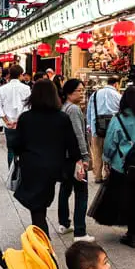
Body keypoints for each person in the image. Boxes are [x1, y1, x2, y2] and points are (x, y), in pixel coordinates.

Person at [91, 86, 135, 248]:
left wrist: (107, 160)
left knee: (125, 197)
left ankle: (131, 233)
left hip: (121, 166)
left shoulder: (118, 119)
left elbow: (110, 143)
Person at [13, 80, 82, 236]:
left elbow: (17, 144)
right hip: (53, 167)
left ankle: (43, 241)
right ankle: (41, 237)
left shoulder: (25, 118)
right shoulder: (62, 118)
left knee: (37, 207)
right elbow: (72, 144)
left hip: (31, 166)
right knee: (41, 204)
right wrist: (78, 161)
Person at [58, 79, 93, 242]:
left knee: (65, 190)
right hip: (75, 158)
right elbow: (79, 135)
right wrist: (84, 157)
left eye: (83, 90)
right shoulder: (74, 110)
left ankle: (64, 223)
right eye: (79, 90)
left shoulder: (64, 107)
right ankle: (80, 231)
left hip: (65, 158)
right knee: (81, 193)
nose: (82, 93)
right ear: (69, 92)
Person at [86, 76, 121, 183]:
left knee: (97, 152)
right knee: (110, 151)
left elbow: (89, 110)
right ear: (116, 84)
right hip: (113, 129)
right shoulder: (118, 96)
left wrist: (89, 125)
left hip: (97, 127)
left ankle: (97, 176)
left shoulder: (95, 94)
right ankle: (108, 174)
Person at [0, 65, 31, 167]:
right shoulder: (26, 88)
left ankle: (12, 173)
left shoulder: (2, 89)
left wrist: (6, 121)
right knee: (23, 149)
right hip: (23, 124)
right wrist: (19, 121)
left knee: (10, 149)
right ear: (20, 75)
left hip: (8, 124)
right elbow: (28, 107)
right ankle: (21, 174)